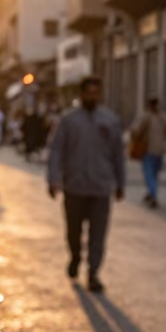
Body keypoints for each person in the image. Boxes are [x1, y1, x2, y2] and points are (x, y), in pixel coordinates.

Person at [47, 75, 125, 292]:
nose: (92, 97)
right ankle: (75, 256)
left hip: (101, 187)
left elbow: (118, 154)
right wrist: (54, 179)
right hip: (74, 187)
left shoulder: (110, 121)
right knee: (74, 230)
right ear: (81, 95)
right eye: (88, 93)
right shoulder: (68, 120)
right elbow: (56, 151)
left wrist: (120, 183)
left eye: (95, 93)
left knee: (98, 234)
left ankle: (93, 273)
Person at [132, 97, 166, 208]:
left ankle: (153, 194)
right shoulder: (163, 117)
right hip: (160, 150)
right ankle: (151, 192)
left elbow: (136, 129)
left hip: (148, 149)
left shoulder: (146, 116)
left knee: (148, 174)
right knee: (154, 174)